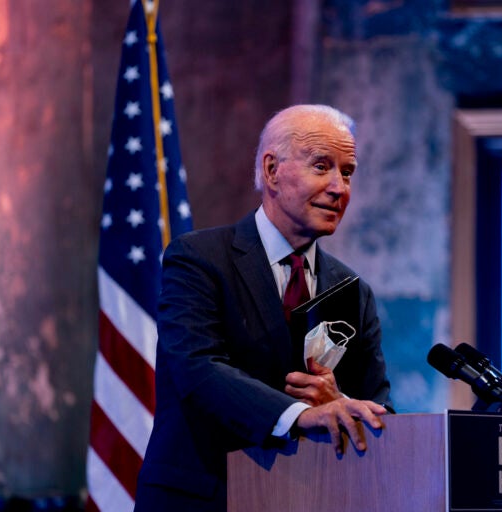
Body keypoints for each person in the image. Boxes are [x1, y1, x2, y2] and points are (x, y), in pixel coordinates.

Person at [134, 104, 392, 511]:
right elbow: (198, 367)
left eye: (347, 172)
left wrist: (337, 401)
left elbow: (377, 409)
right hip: (205, 498)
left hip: (307, 499)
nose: (339, 187)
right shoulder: (198, 258)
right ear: (272, 171)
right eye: (322, 166)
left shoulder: (351, 291)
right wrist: (298, 415)